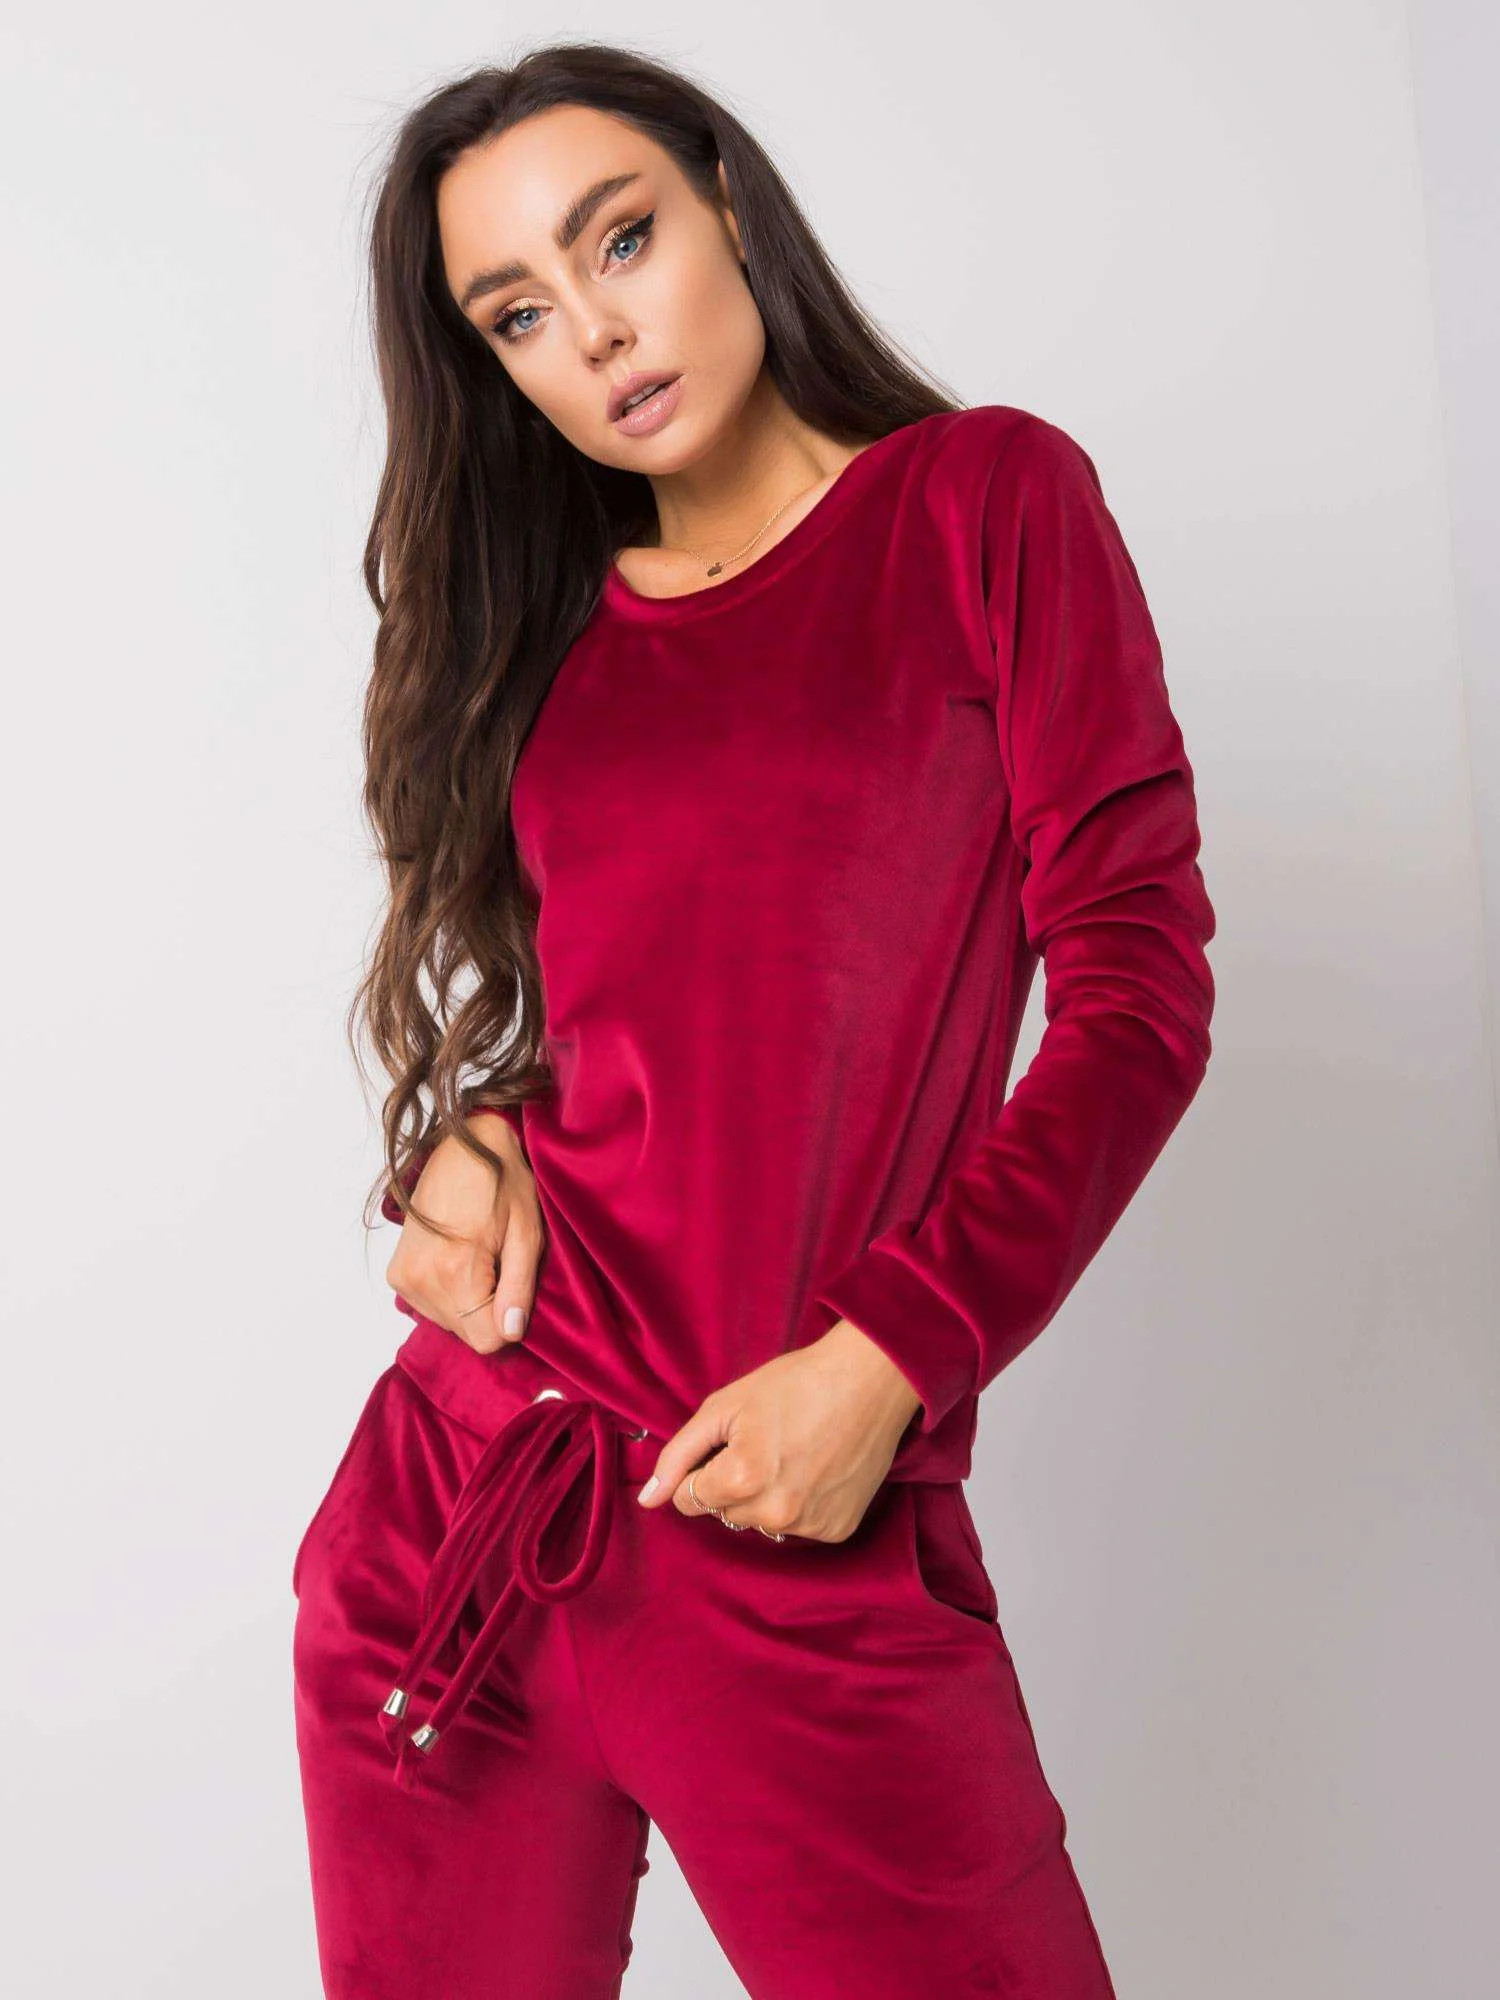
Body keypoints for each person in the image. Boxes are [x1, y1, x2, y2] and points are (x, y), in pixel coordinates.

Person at [290, 39, 1216, 2000]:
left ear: (725, 199)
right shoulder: (553, 640)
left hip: (792, 1525)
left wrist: (892, 1355)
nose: (595, 329)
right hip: (461, 1518)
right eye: (517, 312)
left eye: (618, 238)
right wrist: (469, 1139)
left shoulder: (983, 504)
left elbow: (1138, 996)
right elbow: (644, 1020)